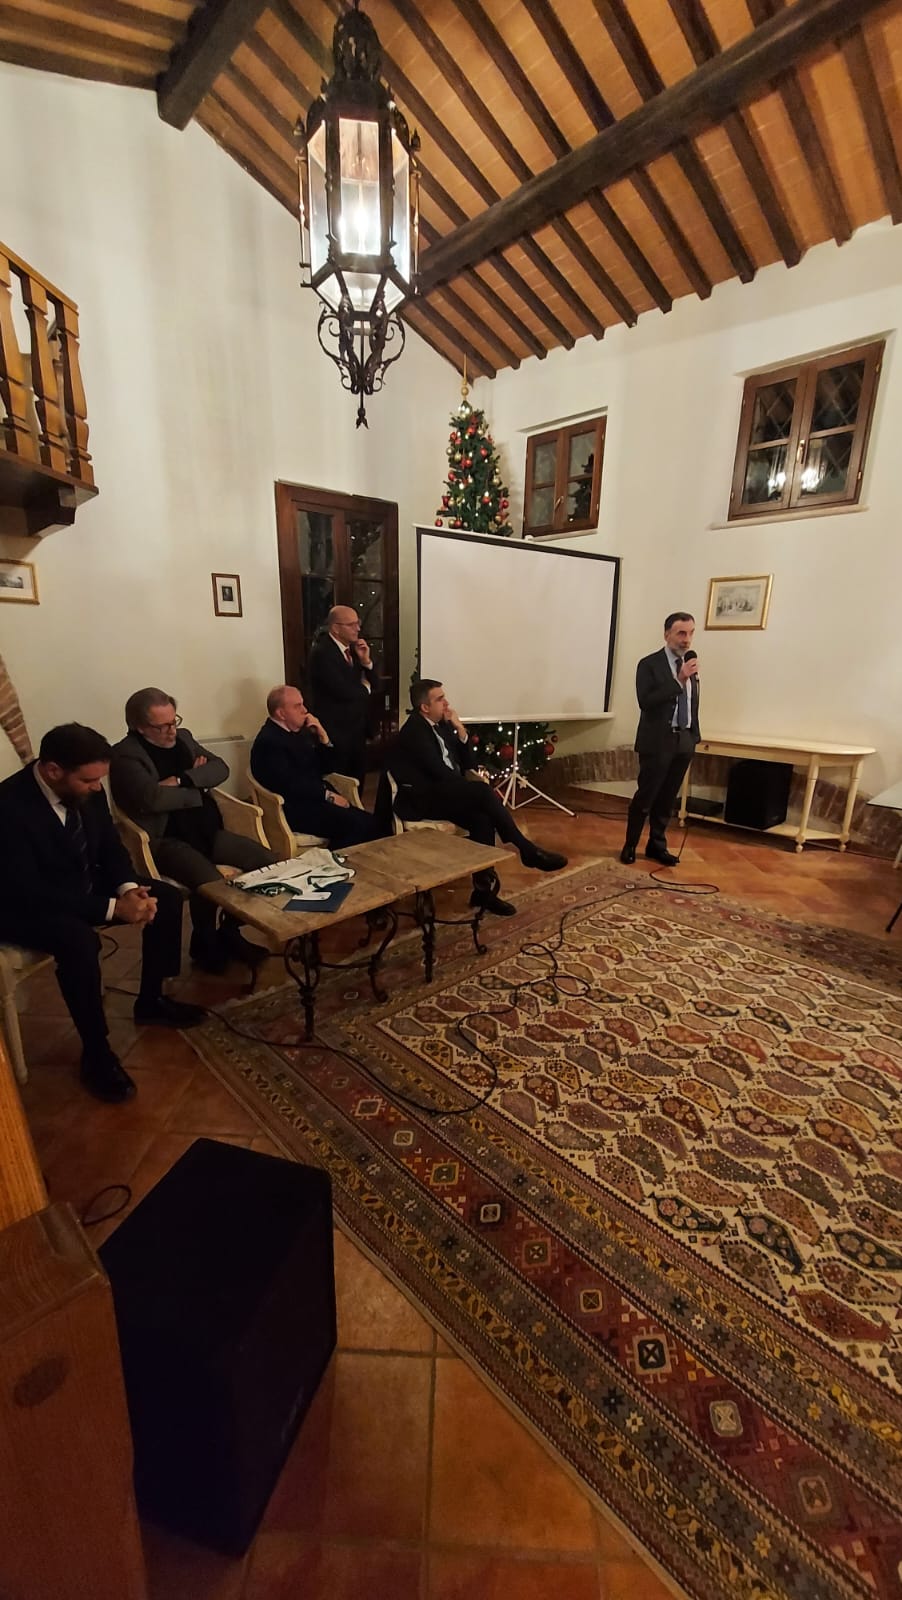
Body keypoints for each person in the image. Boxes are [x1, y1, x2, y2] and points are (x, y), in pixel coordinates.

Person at [0, 723, 205, 1103]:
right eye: (89, 780)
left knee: (166, 897)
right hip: (23, 905)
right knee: (79, 942)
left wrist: (128, 889)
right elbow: (29, 890)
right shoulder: (8, 806)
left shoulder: (87, 790)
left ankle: (152, 1001)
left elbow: (110, 846)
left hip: (80, 884)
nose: (97, 788)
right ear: (53, 770)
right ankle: (97, 1052)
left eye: (99, 780)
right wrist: (113, 908)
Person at [110, 689, 277, 974]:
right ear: (139, 727)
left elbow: (220, 768)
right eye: (162, 726)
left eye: (173, 721)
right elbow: (152, 799)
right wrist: (199, 785)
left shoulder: (184, 737)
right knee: (213, 885)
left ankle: (230, 930)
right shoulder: (125, 756)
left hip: (206, 830)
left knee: (269, 864)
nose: (171, 731)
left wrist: (182, 779)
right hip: (166, 839)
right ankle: (204, 942)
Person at [388, 680, 568, 917]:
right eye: (440, 699)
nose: (446, 703)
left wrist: (461, 731)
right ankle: (526, 849)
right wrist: (469, 791)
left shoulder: (441, 726)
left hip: (444, 792)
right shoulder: (414, 731)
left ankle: (484, 893)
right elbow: (438, 773)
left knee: (482, 819)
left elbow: (468, 764)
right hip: (422, 798)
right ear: (425, 707)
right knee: (482, 792)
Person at [250, 685, 382, 846]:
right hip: (295, 808)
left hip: (313, 799)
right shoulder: (269, 741)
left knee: (374, 824)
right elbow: (289, 784)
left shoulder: (297, 733)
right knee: (358, 827)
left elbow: (326, 768)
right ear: (281, 713)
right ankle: (331, 859)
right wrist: (328, 796)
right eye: (297, 706)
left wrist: (323, 737)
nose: (305, 710)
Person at [621, 611, 700, 867]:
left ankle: (657, 845)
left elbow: (692, 702)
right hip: (657, 742)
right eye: (681, 633)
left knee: (667, 800)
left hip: (683, 741)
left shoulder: (689, 665)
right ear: (667, 634)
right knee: (646, 797)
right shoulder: (649, 664)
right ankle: (630, 845)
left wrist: (693, 736)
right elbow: (646, 701)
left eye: (690, 633)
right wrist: (679, 680)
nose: (687, 639)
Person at [308, 606, 375, 787]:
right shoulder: (322, 653)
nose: (358, 628)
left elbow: (376, 685)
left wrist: (366, 662)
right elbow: (343, 691)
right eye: (351, 624)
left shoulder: (354, 650)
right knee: (340, 784)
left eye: (358, 623)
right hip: (336, 731)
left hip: (357, 730)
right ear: (336, 628)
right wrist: (365, 689)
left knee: (358, 782)